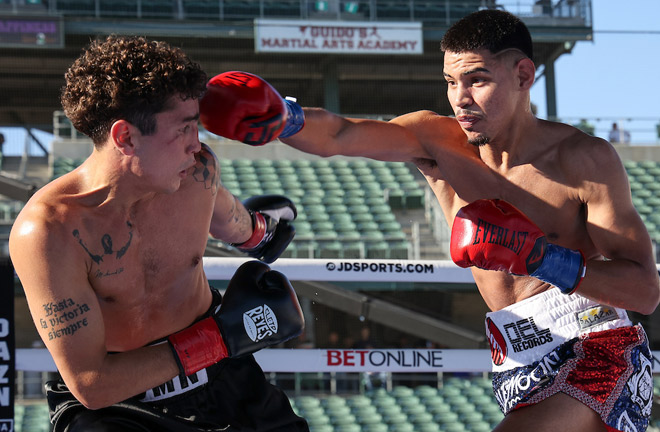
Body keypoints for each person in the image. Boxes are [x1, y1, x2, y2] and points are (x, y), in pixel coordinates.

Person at [198, 9, 660, 432]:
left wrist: (541, 258)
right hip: (517, 358)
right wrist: (285, 117)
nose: (461, 99)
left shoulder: (584, 160)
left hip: (596, 346)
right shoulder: (437, 141)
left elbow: (644, 289)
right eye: (450, 82)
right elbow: (342, 132)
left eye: (477, 80)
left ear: (523, 75)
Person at [9, 35, 309, 432]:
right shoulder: (49, 231)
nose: (196, 145)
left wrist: (261, 233)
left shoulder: (198, 173)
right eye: (184, 130)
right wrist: (220, 337)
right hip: (119, 406)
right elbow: (91, 385)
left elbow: (236, 223)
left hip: (224, 379)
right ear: (126, 138)